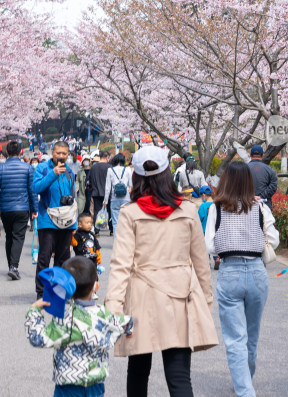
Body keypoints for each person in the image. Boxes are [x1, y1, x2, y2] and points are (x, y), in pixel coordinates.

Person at [106, 146, 218, 396]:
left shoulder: (130, 213)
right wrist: (206, 302)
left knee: (137, 372)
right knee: (179, 378)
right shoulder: (187, 210)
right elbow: (201, 263)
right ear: (168, 174)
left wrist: (113, 307)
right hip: (181, 298)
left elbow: (121, 265)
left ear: (136, 178)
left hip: (142, 300)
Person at [204, 161, 279, 397]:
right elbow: (273, 241)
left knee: (236, 338)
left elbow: (210, 245)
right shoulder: (260, 208)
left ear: (225, 180)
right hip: (257, 271)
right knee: (251, 336)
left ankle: (245, 389)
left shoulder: (216, 208)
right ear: (249, 181)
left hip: (230, 271)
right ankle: (245, 382)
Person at [25, 257, 133, 397]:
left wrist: (34, 311)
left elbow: (38, 338)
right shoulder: (103, 315)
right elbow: (122, 321)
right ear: (95, 285)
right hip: (96, 385)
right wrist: (129, 327)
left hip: (68, 385)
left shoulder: (64, 320)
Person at [33, 141, 79, 298]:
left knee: (63, 260)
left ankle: (59, 291)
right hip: (47, 221)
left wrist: (75, 222)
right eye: (58, 153)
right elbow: (36, 188)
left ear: (68, 154)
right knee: (44, 258)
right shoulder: (42, 168)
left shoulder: (70, 172)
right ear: (52, 152)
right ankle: (42, 292)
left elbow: (73, 198)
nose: (61, 156)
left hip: (66, 221)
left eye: (64, 154)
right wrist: (53, 174)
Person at [0, 140, 36, 281]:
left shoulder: (0, 169)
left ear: (6, 152)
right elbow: (32, 190)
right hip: (22, 208)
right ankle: (14, 267)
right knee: (18, 237)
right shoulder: (27, 168)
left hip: (6, 209)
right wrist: (35, 209)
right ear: (21, 152)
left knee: (9, 236)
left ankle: (11, 266)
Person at [102, 153, 132, 235]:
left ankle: (116, 243)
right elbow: (131, 185)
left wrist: (105, 201)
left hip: (114, 199)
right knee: (126, 223)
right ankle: (125, 242)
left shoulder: (110, 170)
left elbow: (107, 187)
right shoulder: (128, 170)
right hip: (126, 199)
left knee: (115, 223)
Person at [88, 150, 111, 234]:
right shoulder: (109, 167)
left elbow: (89, 180)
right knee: (109, 210)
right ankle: (111, 230)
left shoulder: (93, 167)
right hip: (107, 193)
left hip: (96, 192)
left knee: (96, 211)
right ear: (107, 157)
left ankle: (97, 231)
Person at [247, 145, 278, 209]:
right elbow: (273, 186)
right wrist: (261, 196)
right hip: (265, 205)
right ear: (263, 155)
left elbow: (238, 185)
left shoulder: (243, 169)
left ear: (250, 154)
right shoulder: (270, 170)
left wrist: (251, 197)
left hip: (247, 204)